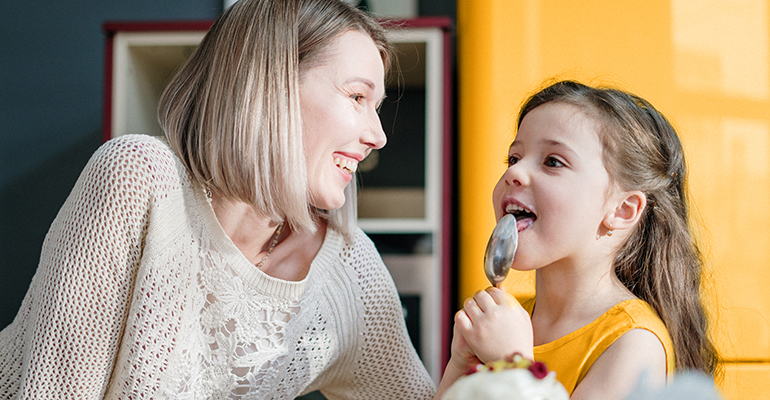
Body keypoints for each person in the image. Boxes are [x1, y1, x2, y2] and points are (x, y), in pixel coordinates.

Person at [0, 0, 436, 398]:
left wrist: (470, 362)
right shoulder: (139, 177)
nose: (377, 136)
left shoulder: (349, 269)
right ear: (270, 85)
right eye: (357, 97)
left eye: (376, 106)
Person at [434, 80, 718, 399]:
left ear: (622, 210)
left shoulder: (632, 341)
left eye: (552, 161)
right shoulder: (513, 320)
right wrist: (460, 363)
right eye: (514, 158)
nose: (514, 173)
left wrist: (514, 365)